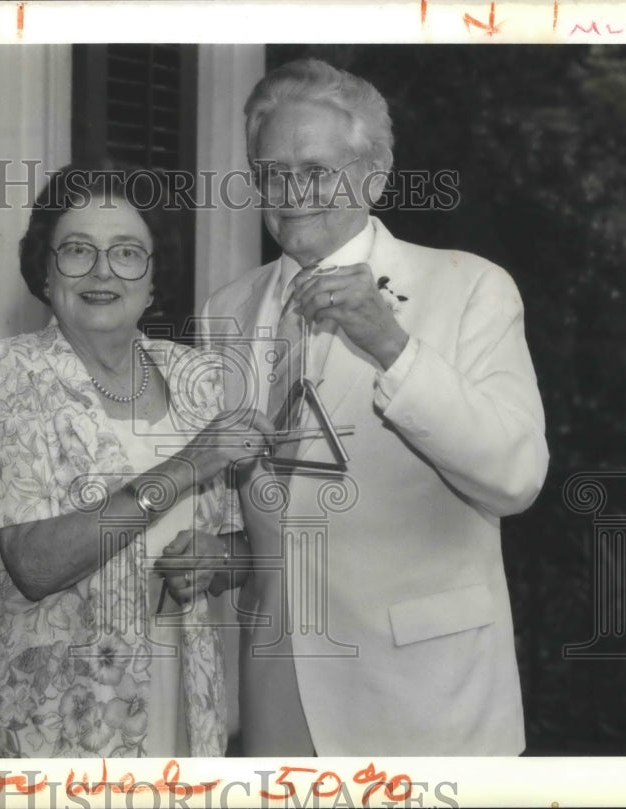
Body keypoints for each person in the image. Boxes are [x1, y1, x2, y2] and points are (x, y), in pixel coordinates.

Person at [201, 58, 549, 756]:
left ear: (375, 177)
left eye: (317, 169)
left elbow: (516, 476)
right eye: (271, 171)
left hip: (426, 703)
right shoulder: (225, 312)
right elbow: (267, 514)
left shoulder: (469, 288)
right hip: (277, 702)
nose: (291, 191)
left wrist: (391, 344)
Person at [0, 161, 271, 758]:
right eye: (77, 250)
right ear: (45, 272)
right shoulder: (1, 374)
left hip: (182, 696)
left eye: (127, 253)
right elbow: (35, 564)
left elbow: (243, 548)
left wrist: (215, 560)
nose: (102, 271)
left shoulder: (196, 377)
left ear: (152, 281)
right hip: (53, 724)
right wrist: (183, 468)